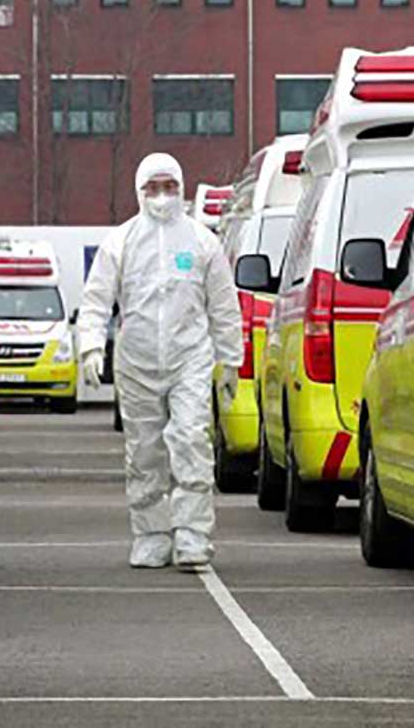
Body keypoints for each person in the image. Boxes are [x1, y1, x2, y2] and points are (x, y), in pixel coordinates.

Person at [77, 153, 242, 571]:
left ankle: (192, 535)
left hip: (190, 359)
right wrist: (91, 346)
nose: (162, 195)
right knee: (144, 451)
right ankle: (151, 535)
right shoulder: (121, 242)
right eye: (153, 187)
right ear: (140, 191)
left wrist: (230, 359)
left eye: (169, 186)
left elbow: (223, 305)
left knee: (191, 441)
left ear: (181, 188)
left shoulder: (203, 242)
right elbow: (97, 299)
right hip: (137, 362)